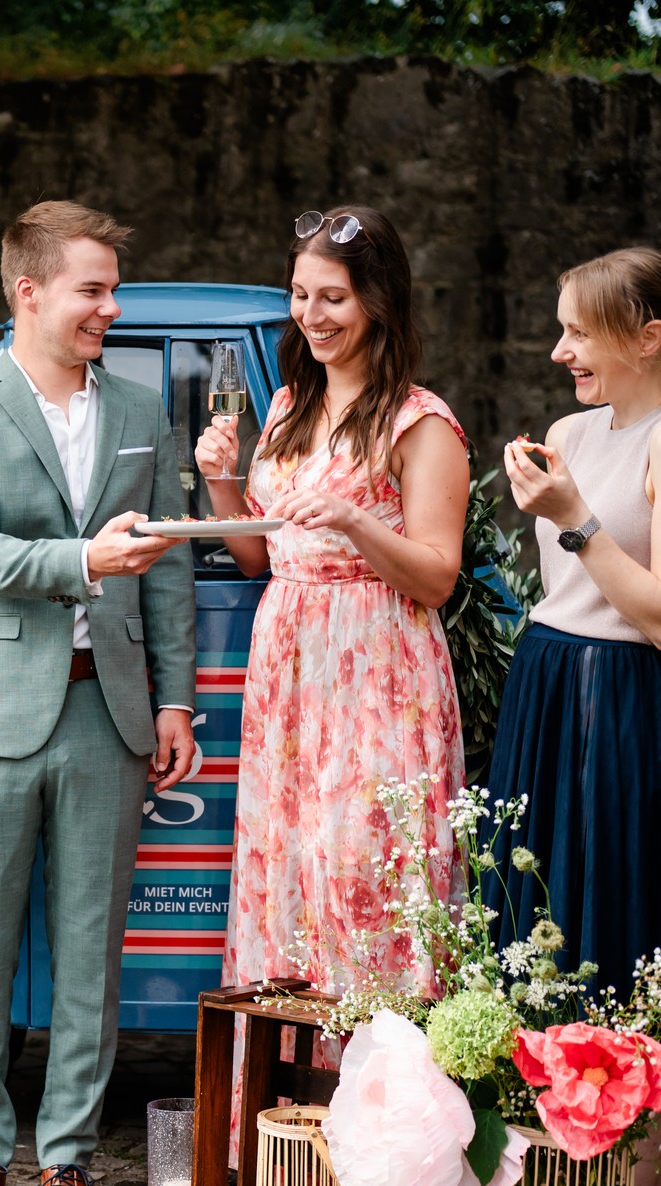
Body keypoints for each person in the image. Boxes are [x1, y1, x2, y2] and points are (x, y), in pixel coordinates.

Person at [0, 201, 197, 1186]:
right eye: (92, 289)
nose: (110, 308)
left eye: (112, 290)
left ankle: (69, 1159)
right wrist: (85, 558)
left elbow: (165, 575)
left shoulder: (141, 410)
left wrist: (173, 699)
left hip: (107, 714)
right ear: (27, 292)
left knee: (90, 952)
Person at [487, 246, 661, 1186]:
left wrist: (574, 521)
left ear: (648, 337)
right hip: (547, 690)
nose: (559, 351)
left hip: (628, 704)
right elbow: (563, 591)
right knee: (538, 935)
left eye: (577, 332)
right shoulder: (575, 431)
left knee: (629, 942)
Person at [196, 206, 470, 1012]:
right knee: (288, 864)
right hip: (289, 667)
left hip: (379, 668)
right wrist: (220, 483)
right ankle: (291, 1078)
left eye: (333, 298)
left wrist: (356, 521)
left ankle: (383, 1075)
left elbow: (437, 577)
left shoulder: (420, 423)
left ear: (377, 302)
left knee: (366, 869)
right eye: (300, 294)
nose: (311, 315)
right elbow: (262, 555)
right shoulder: (287, 407)